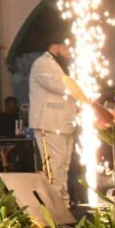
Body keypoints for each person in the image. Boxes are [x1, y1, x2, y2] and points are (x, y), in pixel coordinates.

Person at [28, 38, 77, 205]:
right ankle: (53, 210)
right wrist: (84, 83)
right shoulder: (42, 63)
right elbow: (61, 86)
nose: (70, 51)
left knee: (63, 168)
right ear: (56, 45)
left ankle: (64, 206)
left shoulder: (58, 65)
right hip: (49, 124)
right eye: (68, 46)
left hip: (65, 124)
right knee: (54, 169)